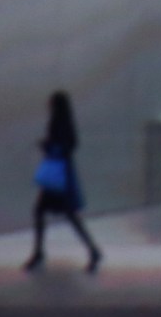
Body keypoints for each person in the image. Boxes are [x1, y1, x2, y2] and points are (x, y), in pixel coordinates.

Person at [23, 90, 102, 273]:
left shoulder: (57, 123)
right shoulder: (64, 122)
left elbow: (67, 146)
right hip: (61, 174)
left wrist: (48, 146)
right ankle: (92, 250)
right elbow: (71, 145)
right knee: (66, 215)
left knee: (46, 212)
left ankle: (41, 253)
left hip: (57, 176)